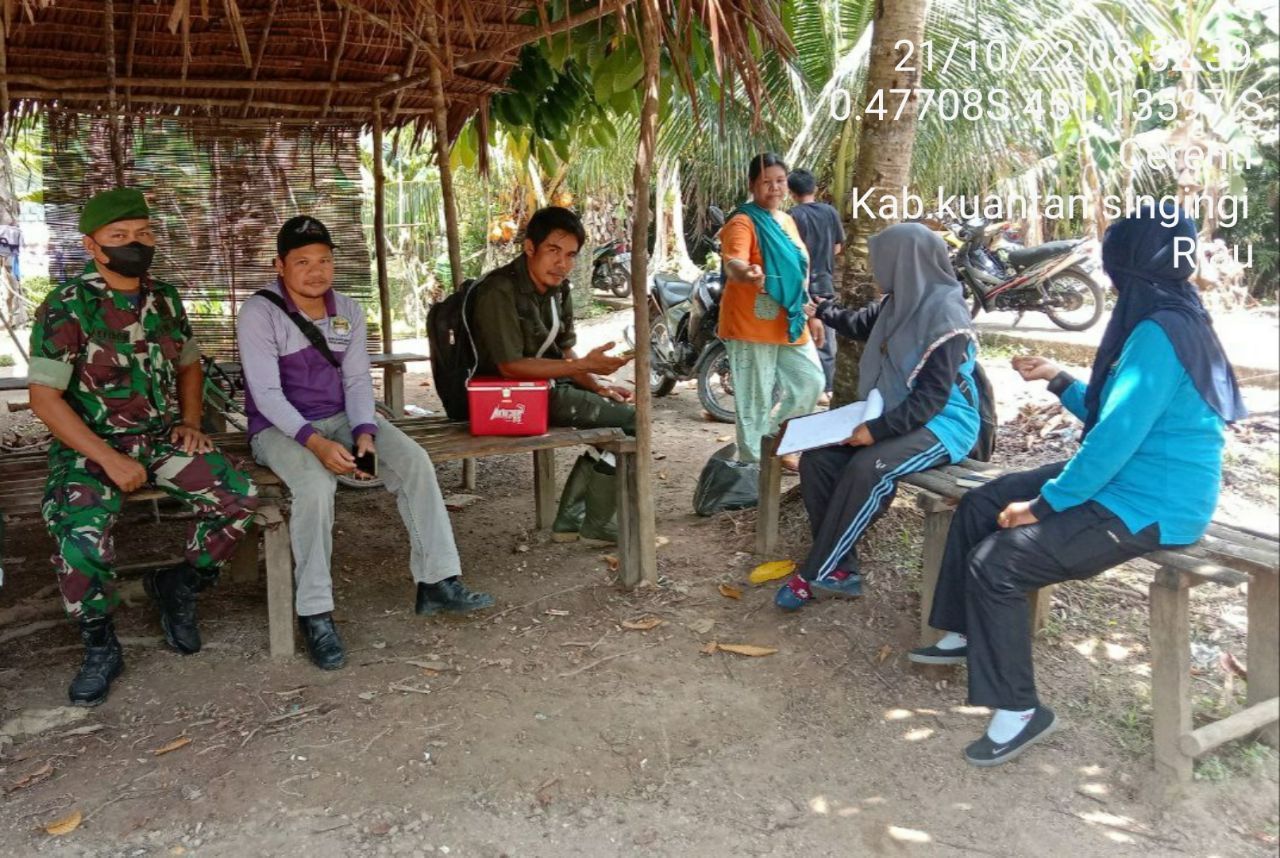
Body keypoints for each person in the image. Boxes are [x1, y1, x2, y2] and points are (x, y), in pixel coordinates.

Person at [909, 203, 1246, 767]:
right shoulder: (1164, 314)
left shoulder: (1163, 330)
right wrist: (1060, 379)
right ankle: (968, 631)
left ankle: (1019, 710)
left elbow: (1113, 438)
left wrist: (1045, 506)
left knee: (999, 562)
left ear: (1132, 263)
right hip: (1129, 477)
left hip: (1155, 501)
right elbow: (1118, 412)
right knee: (983, 501)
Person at [28, 188, 260, 706]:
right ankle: (99, 642)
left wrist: (192, 420)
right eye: (119, 236)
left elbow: (190, 363)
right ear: (92, 245)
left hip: (158, 441)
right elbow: (44, 398)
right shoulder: (67, 304)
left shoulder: (166, 298)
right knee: (80, 537)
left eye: (143, 233)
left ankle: (180, 584)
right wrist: (108, 458)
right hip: (90, 448)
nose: (134, 243)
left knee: (238, 496)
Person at [237, 216, 492, 671]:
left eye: (324, 261)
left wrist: (365, 434)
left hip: (341, 420)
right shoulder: (260, 312)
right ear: (280, 265)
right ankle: (315, 613)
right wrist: (315, 444)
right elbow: (267, 396)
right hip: (278, 430)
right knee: (317, 487)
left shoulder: (348, 311)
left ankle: (437, 582)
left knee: (413, 461)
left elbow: (356, 381)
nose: (315, 271)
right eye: (302, 262)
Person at [775, 222, 980, 610]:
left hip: (943, 425)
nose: (875, 270)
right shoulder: (898, 302)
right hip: (895, 414)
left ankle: (816, 570)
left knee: (871, 466)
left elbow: (931, 400)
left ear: (906, 262)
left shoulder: (946, 316)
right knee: (818, 461)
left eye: (881, 261)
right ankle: (842, 570)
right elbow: (859, 324)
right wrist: (823, 310)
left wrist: (877, 431)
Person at [468, 206, 635, 547]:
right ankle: (595, 524)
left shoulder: (560, 290)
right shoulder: (498, 291)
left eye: (571, 255)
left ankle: (570, 522)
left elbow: (567, 354)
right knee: (633, 422)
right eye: (553, 251)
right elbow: (511, 366)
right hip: (504, 400)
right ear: (530, 248)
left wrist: (599, 387)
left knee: (619, 415)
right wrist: (581, 369)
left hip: (543, 390)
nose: (562, 263)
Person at [719, 153, 826, 470]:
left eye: (780, 181)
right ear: (753, 185)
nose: (775, 188)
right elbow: (733, 261)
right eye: (767, 182)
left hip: (790, 321)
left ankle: (777, 442)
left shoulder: (787, 220)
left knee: (811, 382)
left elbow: (797, 272)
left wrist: (812, 313)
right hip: (751, 324)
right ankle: (753, 469)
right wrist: (745, 272)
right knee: (754, 399)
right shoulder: (742, 221)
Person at [787, 169, 845, 405]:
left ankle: (818, 388)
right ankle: (828, 388)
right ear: (815, 188)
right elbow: (838, 247)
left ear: (791, 192)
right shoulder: (830, 212)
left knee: (808, 337)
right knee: (825, 337)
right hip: (825, 282)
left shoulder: (792, 216)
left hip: (803, 282)